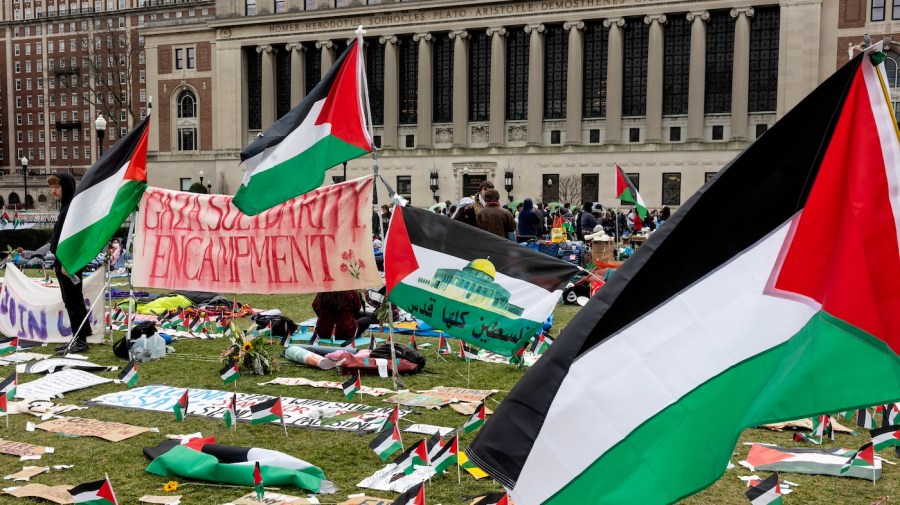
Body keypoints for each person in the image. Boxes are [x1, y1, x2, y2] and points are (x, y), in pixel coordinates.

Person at [48, 172, 92, 355]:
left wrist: (68, 262)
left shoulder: (71, 209)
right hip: (64, 262)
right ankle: (78, 337)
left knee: (74, 301)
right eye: (51, 187)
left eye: (57, 187)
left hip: (69, 263)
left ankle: (80, 341)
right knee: (71, 300)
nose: (53, 191)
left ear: (66, 187)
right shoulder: (67, 207)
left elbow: (73, 239)